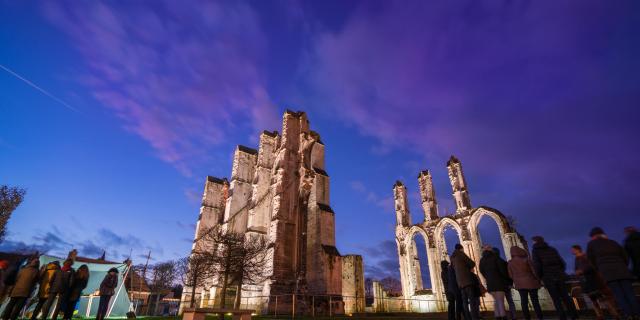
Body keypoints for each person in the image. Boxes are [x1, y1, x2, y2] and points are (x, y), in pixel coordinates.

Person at [587, 227, 640, 318]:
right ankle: (637, 313)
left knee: (619, 295)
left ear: (593, 236)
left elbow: (591, 260)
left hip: (608, 273)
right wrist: (623, 266)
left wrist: (600, 268)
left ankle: (628, 315)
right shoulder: (613, 242)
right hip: (623, 271)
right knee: (630, 293)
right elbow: (625, 256)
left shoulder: (591, 244)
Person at [531, 236, 577, 320]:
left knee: (556, 299)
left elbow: (537, 266)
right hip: (559, 275)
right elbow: (562, 262)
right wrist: (560, 272)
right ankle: (574, 315)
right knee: (565, 296)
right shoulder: (552, 249)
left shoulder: (535, 251)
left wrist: (540, 277)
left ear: (535, 242)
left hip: (548, 277)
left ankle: (562, 317)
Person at [571, 245, 618, 320]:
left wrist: (582, 271)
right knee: (593, 299)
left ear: (578, 250)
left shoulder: (585, 257)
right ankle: (599, 315)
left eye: (573, 250)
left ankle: (614, 314)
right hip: (585, 281)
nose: (571, 251)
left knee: (602, 298)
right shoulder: (577, 259)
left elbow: (591, 266)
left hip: (592, 280)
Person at [508, 246, 543, 320]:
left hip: (520, 284)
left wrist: (516, 279)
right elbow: (534, 271)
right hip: (531, 282)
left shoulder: (510, 262)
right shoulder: (526, 260)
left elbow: (510, 275)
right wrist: (538, 279)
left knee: (524, 302)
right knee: (535, 301)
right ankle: (540, 317)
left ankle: (527, 317)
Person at [480, 245, 510, 320]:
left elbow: (482, 271)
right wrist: (508, 280)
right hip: (499, 282)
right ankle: (503, 316)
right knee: (500, 300)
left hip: (490, 283)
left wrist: (488, 277)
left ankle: (497, 316)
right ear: (490, 250)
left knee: (496, 301)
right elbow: (503, 270)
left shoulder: (482, 260)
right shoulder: (496, 258)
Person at [451, 244, 480, 320]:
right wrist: (467, 267)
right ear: (461, 249)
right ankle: (475, 317)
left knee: (465, 302)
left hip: (460, 283)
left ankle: (467, 317)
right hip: (467, 281)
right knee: (472, 300)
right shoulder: (461, 254)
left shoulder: (453, 258)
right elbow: (472, 263)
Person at [493, 247, 516, 320]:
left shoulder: (491, 264)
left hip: (498, 285)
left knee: (499, 301)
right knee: (510, 300)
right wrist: (510, 283)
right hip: (506, 284)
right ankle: (513, 316)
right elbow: (508, 274)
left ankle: (501, 316)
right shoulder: (503, 262)